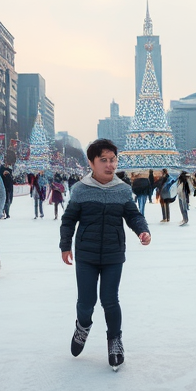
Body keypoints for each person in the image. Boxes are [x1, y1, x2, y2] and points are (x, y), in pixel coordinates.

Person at [61, 139, 150, 370]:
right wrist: (65, 245)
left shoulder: (122, 190)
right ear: (91, 162)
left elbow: (133, 215)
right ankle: (83, 326)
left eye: (112, 160)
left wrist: (142, 230)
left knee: (110, 300)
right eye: (104, 160)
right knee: (86, 302)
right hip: (86, 256)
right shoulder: (80, 189)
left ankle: (115, 341)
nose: (109, 165)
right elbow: (69, 220)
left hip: (113, 254)